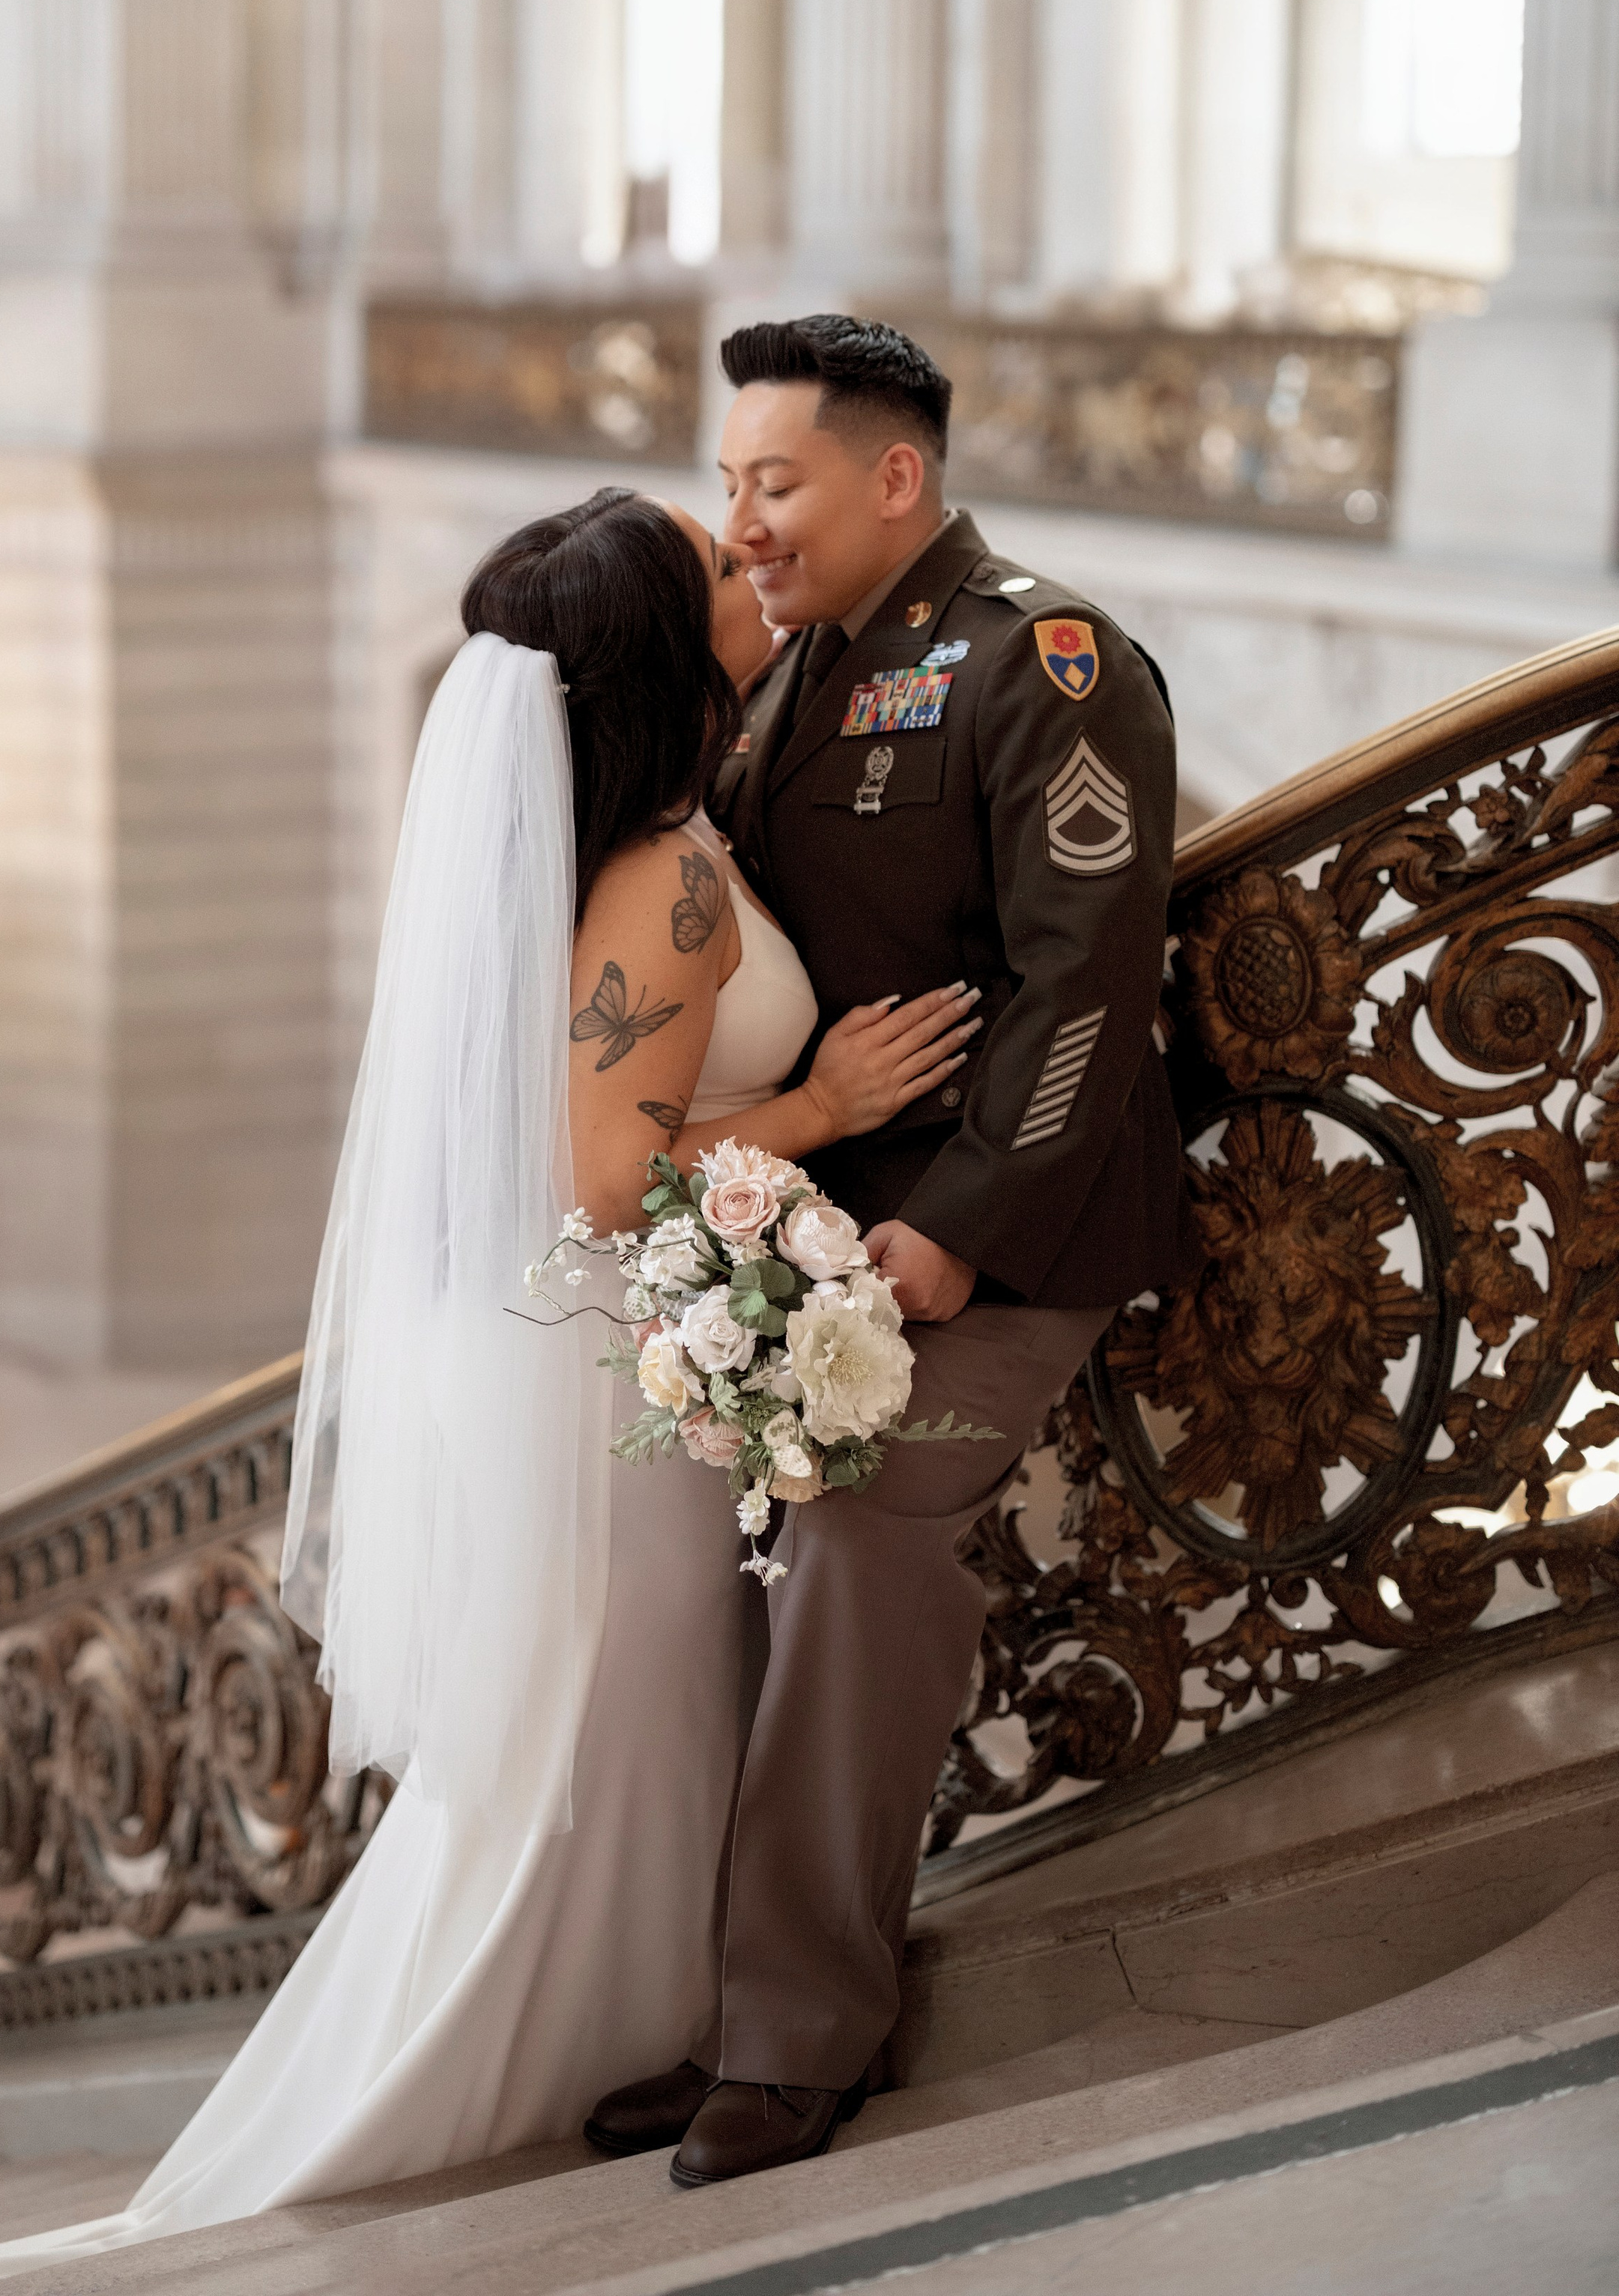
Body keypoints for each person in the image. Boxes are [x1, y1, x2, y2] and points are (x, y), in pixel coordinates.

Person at [0, 491, 977, 2295]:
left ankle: (627, 2029)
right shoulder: (659, 876)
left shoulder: (659, 837)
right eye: (710, 563)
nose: (751, 569)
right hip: (611, 1367)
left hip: (604, 1356)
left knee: (613, 1736)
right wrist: (818, 1110)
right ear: (667, 655)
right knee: (618, 1731)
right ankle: (533, 2063)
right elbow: (600, 1169)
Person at [585, 315, 1189, 2186]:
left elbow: (1082, 984)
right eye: (730, 485)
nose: (741, 521)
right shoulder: (791, 668)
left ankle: (793, 2035)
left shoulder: (1041, 659)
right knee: (694, 1556)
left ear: (892, 476)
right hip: (822, 1225)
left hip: (1007, 1233)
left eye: (773, 482)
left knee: (851, 1531)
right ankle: (713, 1998)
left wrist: (955, 1228)